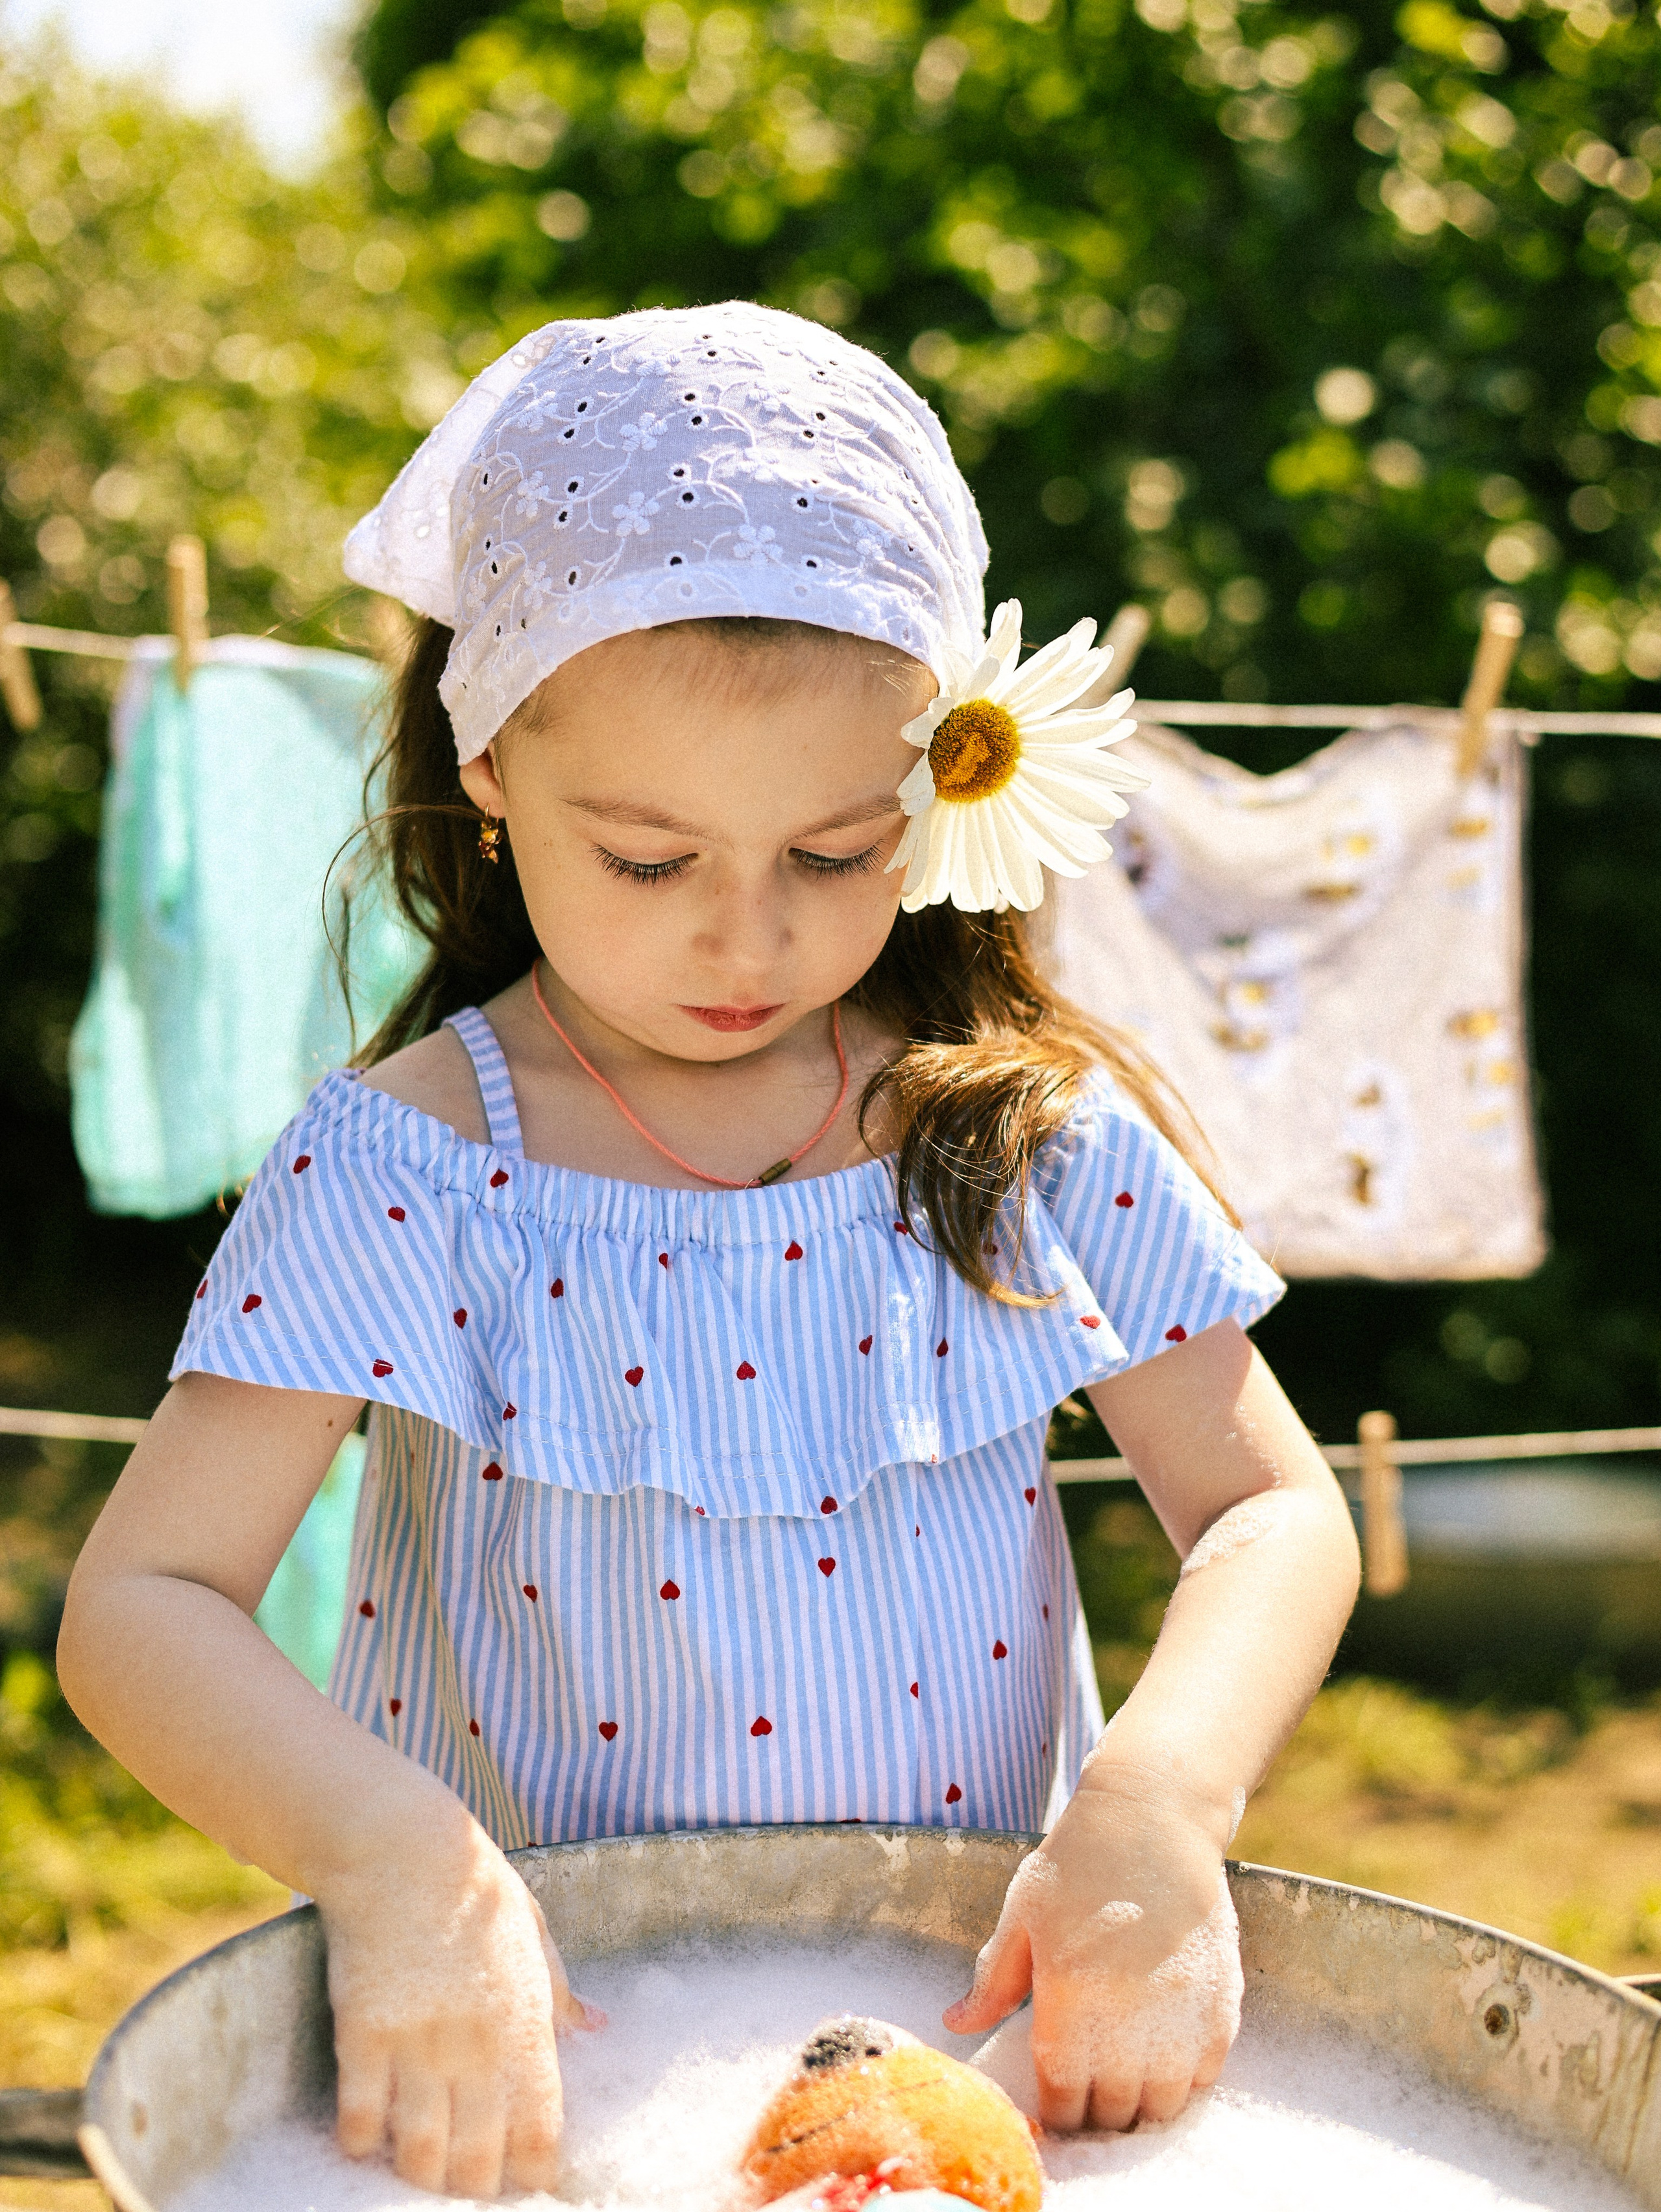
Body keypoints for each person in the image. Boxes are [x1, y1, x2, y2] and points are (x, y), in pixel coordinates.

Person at [58, 302, 1360, 2204]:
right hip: (560, 2076)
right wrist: (395, 1862)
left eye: (837, 852)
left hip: (961, 2059)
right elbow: (143, 1601)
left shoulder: (1014, 1131)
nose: (747, 946)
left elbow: (1272, 1512)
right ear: (487, 761)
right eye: (652, 861)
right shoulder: (418, 1166)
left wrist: (1162, 1799)